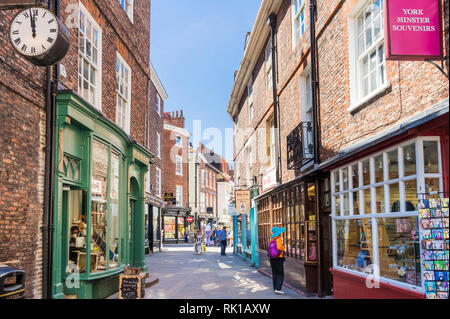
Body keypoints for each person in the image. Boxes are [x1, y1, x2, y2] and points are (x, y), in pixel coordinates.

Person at [268, 226, 286, 295]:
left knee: (274, 273)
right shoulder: (278, 239)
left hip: (272, 258)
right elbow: (280, 248)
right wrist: (284, 247)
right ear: (278, 233)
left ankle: (275, 288)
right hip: (278, 258)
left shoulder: (272, 239)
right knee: (280, 274)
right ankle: (278, 289)